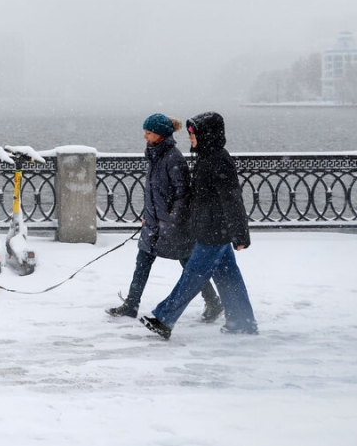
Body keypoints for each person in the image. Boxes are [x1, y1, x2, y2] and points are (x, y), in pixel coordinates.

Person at [140, 111, 258, 340]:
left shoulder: (219, 160)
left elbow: (232, 199)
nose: (190, 138)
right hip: (212, 229)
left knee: (193, 275)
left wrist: (241, 235)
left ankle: (164, 319)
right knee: (228, 276)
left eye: (194, 134)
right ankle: (241, 323)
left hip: (214, 231)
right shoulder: (207, 157)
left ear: (207, 135)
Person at [106, 113, 223, 322]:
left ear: (160, 135)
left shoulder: (173, 158)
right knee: (143, 260)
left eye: (148, 133)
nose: (145, 136)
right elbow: (154, 192)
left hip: (172, 225)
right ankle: (131, 304)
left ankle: (213, 301)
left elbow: (182, 193)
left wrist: (173, 218)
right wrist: (148, 216)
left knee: (190, 265)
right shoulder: (154, 155)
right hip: (154, 222)